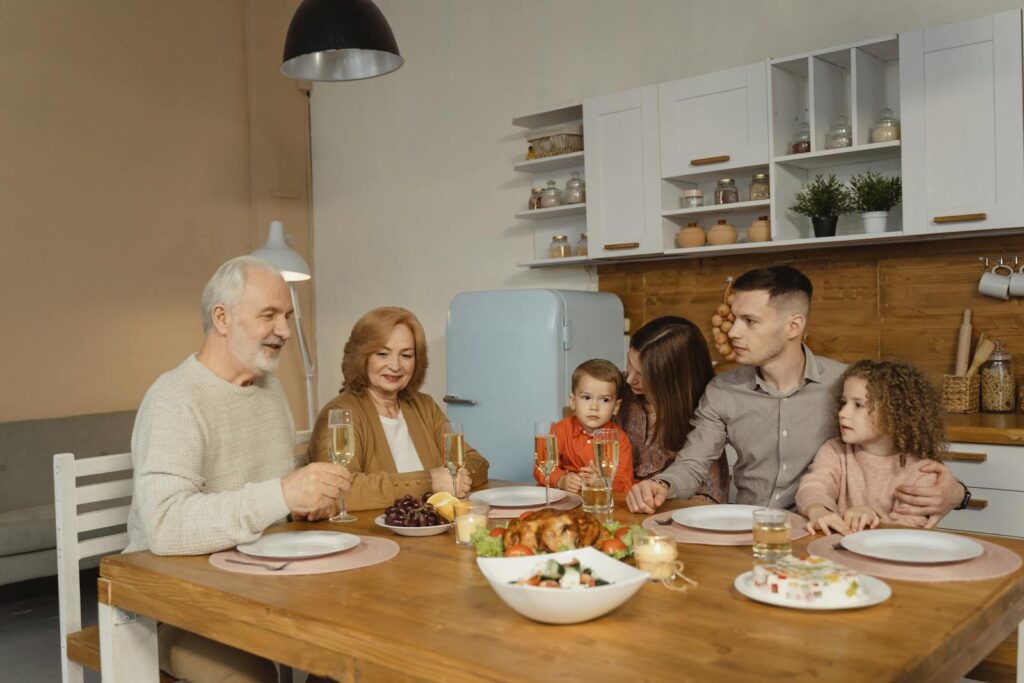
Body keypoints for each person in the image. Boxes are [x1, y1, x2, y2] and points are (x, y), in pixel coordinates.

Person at [126, 256, 352, 682]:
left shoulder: (268, 391)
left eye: (286, 316)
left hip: (261, 588)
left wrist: (301, 507)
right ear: (222, 318)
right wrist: (281, 495)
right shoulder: (175, 398)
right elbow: (165, 525)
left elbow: (266, 506)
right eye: (269, 315)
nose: (285, 330)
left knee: (356, 654)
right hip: (177, 606)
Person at [626, 265, 967, 519]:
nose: (733, 332)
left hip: (821, 533)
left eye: (750, 321)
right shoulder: (723, 391)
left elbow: (901, 456)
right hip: (747, 531)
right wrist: (662, 486)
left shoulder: (846, 386)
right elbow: (693, 463)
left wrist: (958, 493)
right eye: (733, 319)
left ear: (794, 326)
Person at [310, 307, 489, 509]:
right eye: (383, 354)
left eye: (406, 355)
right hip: (374, 535)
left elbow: (477, 462)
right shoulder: (339, 415)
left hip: (431, 527)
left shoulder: (424, 406)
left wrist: (458, 479)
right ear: (362, 357)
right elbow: (339, 490)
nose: (395, 366)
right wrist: (429, 482)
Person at [797, 360, 949, 534]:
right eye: (844, 402)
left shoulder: (922, 470)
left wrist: (872, 516)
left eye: (859, 405)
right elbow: (814, 485)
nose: (842, 413)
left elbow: (910, 527)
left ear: (894, 414)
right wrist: (818, 509)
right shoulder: (835, 451)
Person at [617, 316, 729, 503]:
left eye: (643, 374)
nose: (630, 379)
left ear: (673, 380)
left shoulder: (707, 414)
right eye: (629, 362)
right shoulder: (616, 391)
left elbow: (708, 500)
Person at [533, 359, 634, 494]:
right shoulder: (560, 430)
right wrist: (561, 480)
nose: (594, 407)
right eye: (586, 398)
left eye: (604, 400)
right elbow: (541, 468)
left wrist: (602, 482)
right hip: (566, 502)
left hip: (600, 503)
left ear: (615, 407)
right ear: (573, 401)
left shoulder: (619, 440)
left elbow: (625, 483)